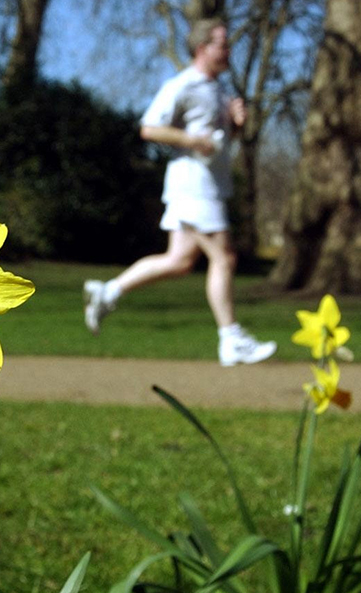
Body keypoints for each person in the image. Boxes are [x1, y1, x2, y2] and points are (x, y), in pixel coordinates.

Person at [82, 18, 276, 367]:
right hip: (193, 187)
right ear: (203, 49)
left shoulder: (218, 89)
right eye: (222, 44)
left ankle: (107, 291)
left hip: (210, 185)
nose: (228, 50)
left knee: (180, 262)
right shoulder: (182, 85)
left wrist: (234, 125)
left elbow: (217, 142)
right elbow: (149, 128)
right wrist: (190, 140)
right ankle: (231, 339)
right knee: (225, 258)